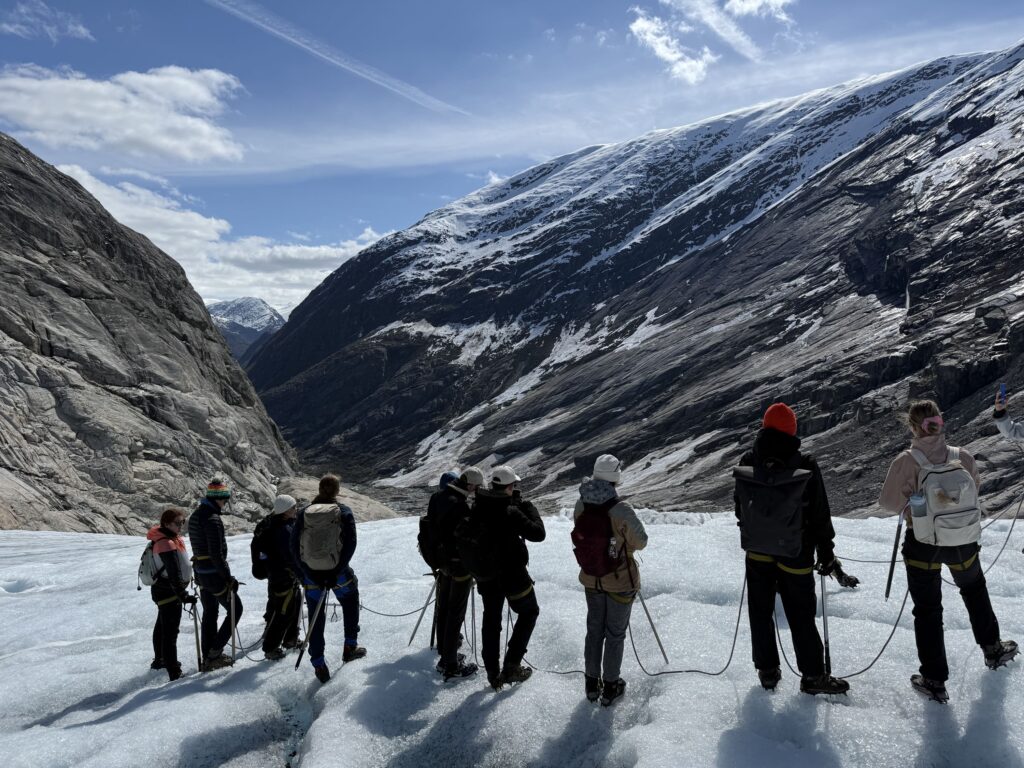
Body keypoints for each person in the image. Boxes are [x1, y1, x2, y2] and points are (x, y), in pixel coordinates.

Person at [879, 399, 1018, 702]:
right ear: (940, 422)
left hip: (923, 545)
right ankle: (993, 649)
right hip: (962, 541)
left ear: (913, 427)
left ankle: (934, 679)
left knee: (928, 610)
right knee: (974, 590)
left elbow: (888, 502)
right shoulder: (962, 456)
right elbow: (974, 490)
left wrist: (911, 508)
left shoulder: (906, 461)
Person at [734, 403, 856, 696]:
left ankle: (767, 671)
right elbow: (820, 515)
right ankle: (813, 676)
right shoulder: (805, 464)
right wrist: (825, 554)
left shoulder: (749, 460)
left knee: (760, 612)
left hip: (758, 552)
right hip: (796, 554)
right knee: (801, 614)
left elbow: (740, 506)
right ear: (792, 430)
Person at [572, 454, 648, 706]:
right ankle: (611, 687)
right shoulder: (621, 510)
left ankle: (591, 685)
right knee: (615, 634)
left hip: (592, 579)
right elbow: (641, 541)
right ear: (616, 476)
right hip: (620, 580)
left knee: (594, 631)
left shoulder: (580, 505)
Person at [467, 465, 545, 690]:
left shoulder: (478, 506)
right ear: (510, 486)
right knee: (529, 612)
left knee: (491, 619)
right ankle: (511, 666)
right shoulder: (510, 511)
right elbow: (538, 533)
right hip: (512, 575)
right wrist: (529, 509)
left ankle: (493, 673)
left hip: (486, 575)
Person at [290, 474, 366, 683]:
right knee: (350, 601)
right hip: (338, 574)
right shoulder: (343, 511)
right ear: (337, 491)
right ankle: (350, 646)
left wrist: (306, 571)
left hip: (312, 575)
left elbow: (294, 545)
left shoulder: (304, 512)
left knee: (316, 617)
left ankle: (318, 664)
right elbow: (350, 544)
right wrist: (335, 571)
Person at [425, 468, 483, 681]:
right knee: (455, 612)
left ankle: (445, 651)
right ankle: (450, 664)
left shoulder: (438, 497)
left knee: (444, 608)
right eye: (476, 488)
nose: (476, 492)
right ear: (469, 486)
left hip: (442, 563)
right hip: (459, 566)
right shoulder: (461, 506)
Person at [188, 478, 243, 671]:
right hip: (213, 574)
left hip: (201, 573)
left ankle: (208, 657)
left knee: (210, 612)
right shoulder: (212, 519)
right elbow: (216, 553)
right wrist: (228, 578)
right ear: (217, 499)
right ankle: (215, 652)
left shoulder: (195, 515)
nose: (225, 503)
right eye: (224, 499)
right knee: (236, 608)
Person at [147, 508, 197, 681]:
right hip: (168, 591)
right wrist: (183, 595)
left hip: (163, 589)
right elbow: (174, 573)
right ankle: (174, 671)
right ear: (167, 524)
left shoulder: (169, 539)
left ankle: (160, 660)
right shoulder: (166, 543)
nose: (181, 526)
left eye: (182, 522)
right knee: (170, 632)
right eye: (177, 523)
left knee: (162, 625)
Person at [255, 494, 302, 660]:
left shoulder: (276, 524)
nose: (296, 509)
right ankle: (270, 647)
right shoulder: (283, 529)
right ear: (286, 510)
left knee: (292, 607)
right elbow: (289, 556)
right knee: (285, 612)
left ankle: (290, 639)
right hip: (284, 577)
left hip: (277, 575)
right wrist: (301, 573)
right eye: (294, 507)